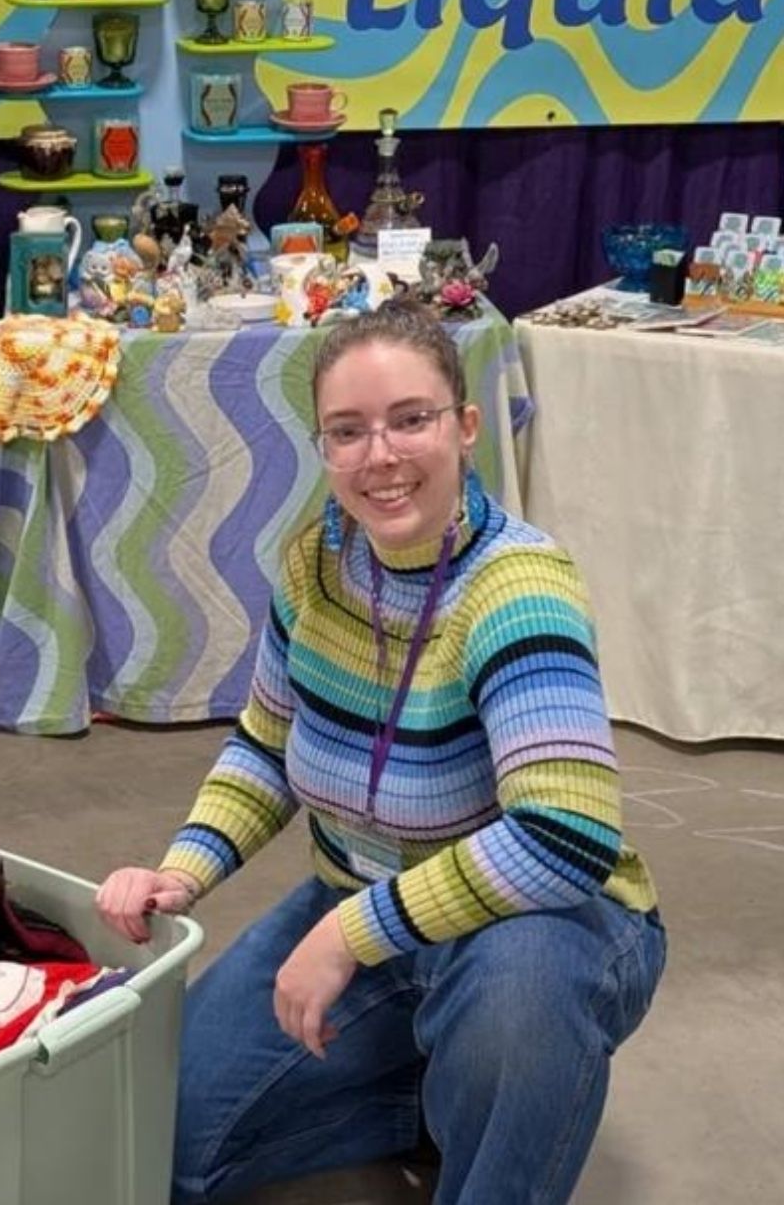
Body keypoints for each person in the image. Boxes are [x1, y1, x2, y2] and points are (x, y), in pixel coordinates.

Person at [96, 299, 665, 1204]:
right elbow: (268, 742)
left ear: (465, 427)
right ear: (323, 447)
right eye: (348, 430)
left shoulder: (518, 588)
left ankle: (496, 1110)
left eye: (410, 420)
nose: (380, 455)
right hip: (359, 898)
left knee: (519, 1009)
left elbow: (565, 838)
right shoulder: (315, 566)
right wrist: (182, 871)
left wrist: (346, 935)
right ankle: (443, 1101)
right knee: (174, 1139)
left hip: (532, 927)